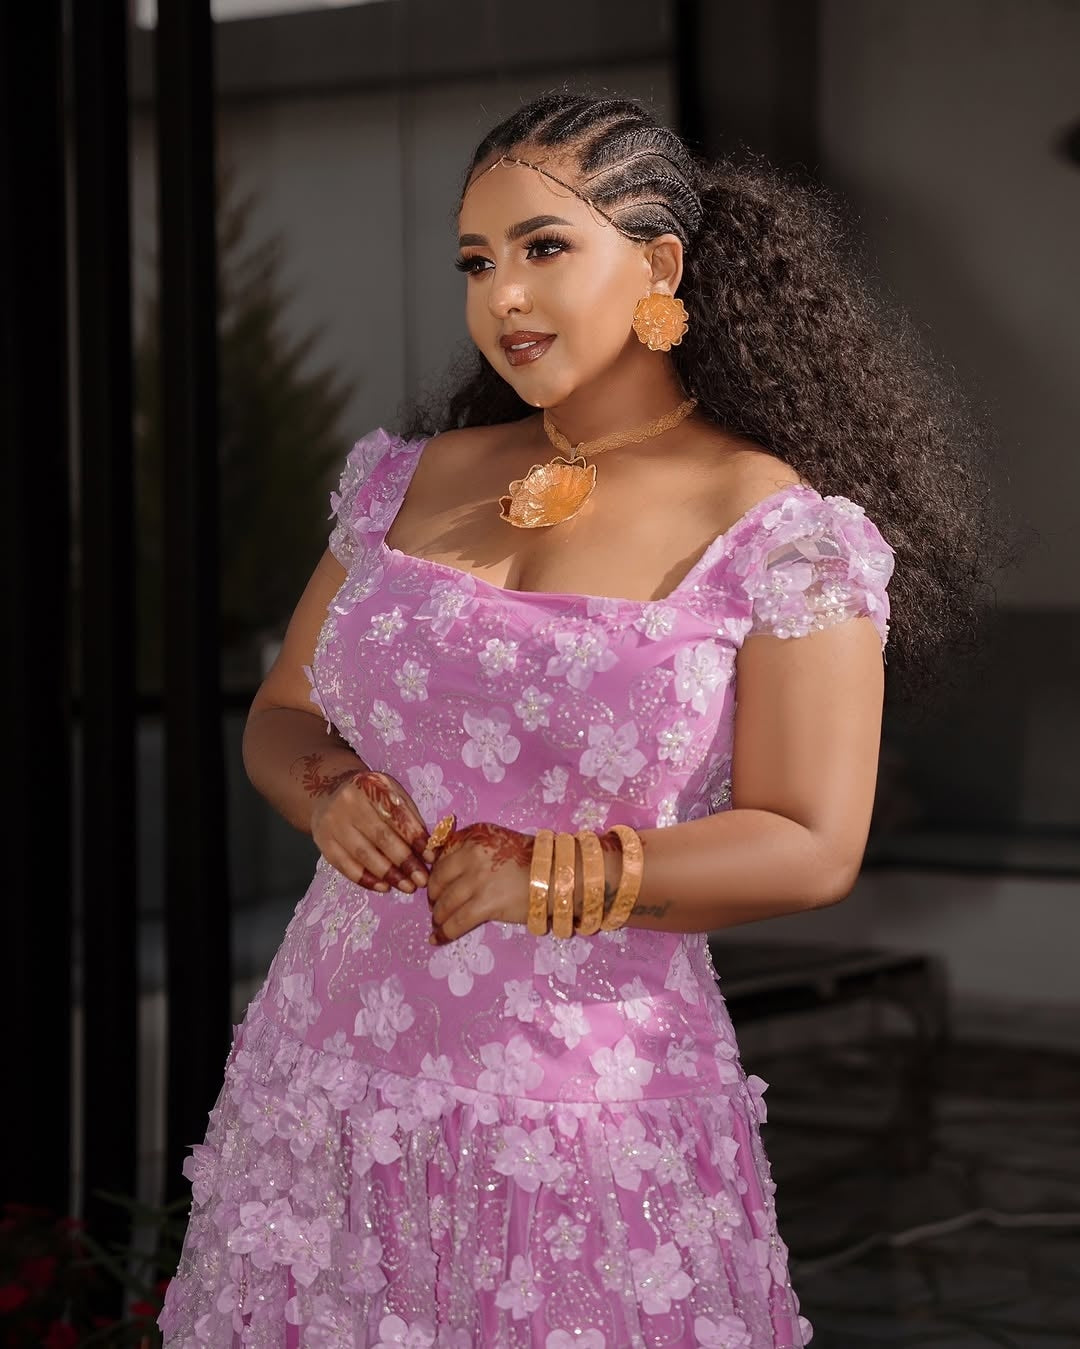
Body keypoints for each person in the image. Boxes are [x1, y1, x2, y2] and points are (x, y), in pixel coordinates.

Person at [159, 89, 992, 1348]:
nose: (503, 295)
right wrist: (326, 786)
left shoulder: (783, 530)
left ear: (660, 264)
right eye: (476, 260)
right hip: (331, 1068)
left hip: (587, 1105)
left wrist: (550, 872)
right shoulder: (405, 480)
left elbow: (813, 838)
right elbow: (283, 709)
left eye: (545, 247)